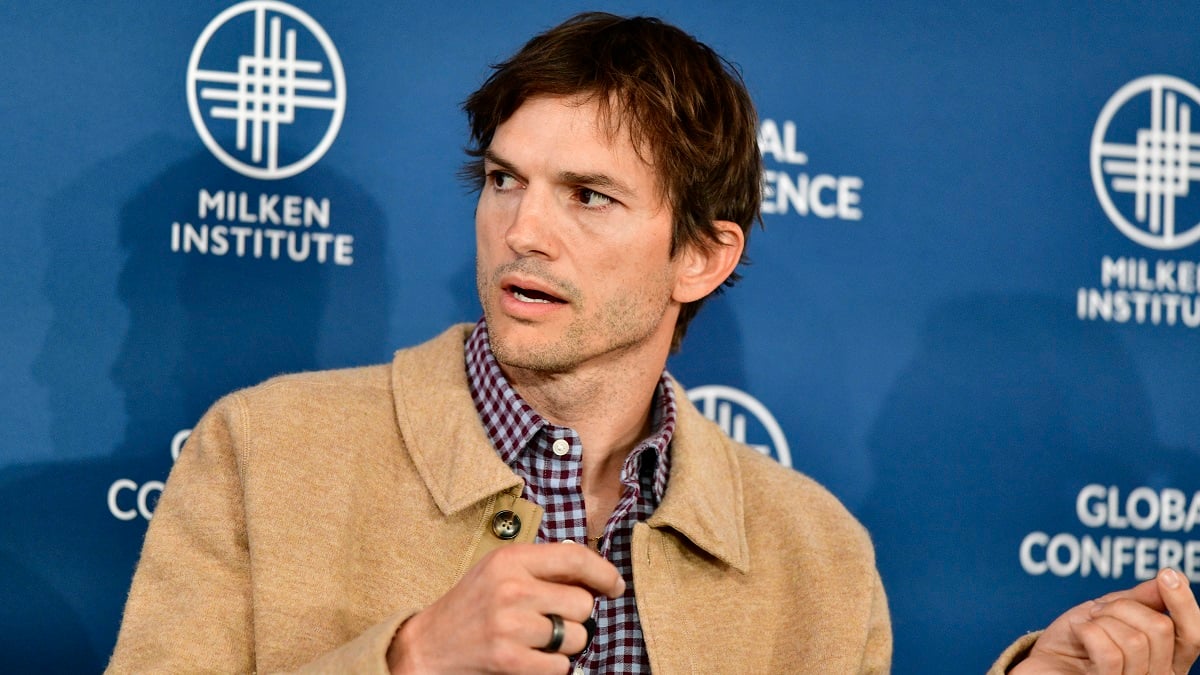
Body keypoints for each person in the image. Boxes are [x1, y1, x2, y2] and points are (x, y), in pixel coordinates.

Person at [106, 12, 1200, 674]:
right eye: (502, 181)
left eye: (588, 196)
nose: (521, 231)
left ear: (701, 259)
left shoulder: (816, 555)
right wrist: (407, 658)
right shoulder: (262, 451)